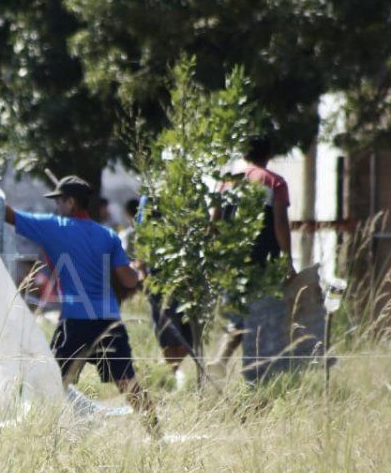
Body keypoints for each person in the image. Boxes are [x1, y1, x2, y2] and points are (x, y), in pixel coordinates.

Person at [5, 176, 160, 436]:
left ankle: (49, 439)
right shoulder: (108, 235)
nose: (56, 207)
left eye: (59, 201)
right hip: (109, 321)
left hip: (75, 322)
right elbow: (128, 280)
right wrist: (137, 271)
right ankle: (157, 435)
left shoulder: (54, 227)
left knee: (53, 381)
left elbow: (9, 215)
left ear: (71, 202)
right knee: (128, 383)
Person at [208, 136, 295, 374]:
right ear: (269, 154)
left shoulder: (227, 183)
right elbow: (280, 224)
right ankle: (257, 376)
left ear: (244, 154)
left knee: (238, 313)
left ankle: (222, 359)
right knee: (262, 319)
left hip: (232, 262)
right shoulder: (274, 182)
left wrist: (215, 257)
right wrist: (287, 260)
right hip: (263, 262)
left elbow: (213, 223)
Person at [123, 198, 193, 389]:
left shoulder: (183, 195)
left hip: (186, 273)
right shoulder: (149, 198)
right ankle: (173, 373)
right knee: (167, 331)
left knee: (189, 335)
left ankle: (171, 369)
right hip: (159, 276)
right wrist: (142, 268)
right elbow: (143, 235)